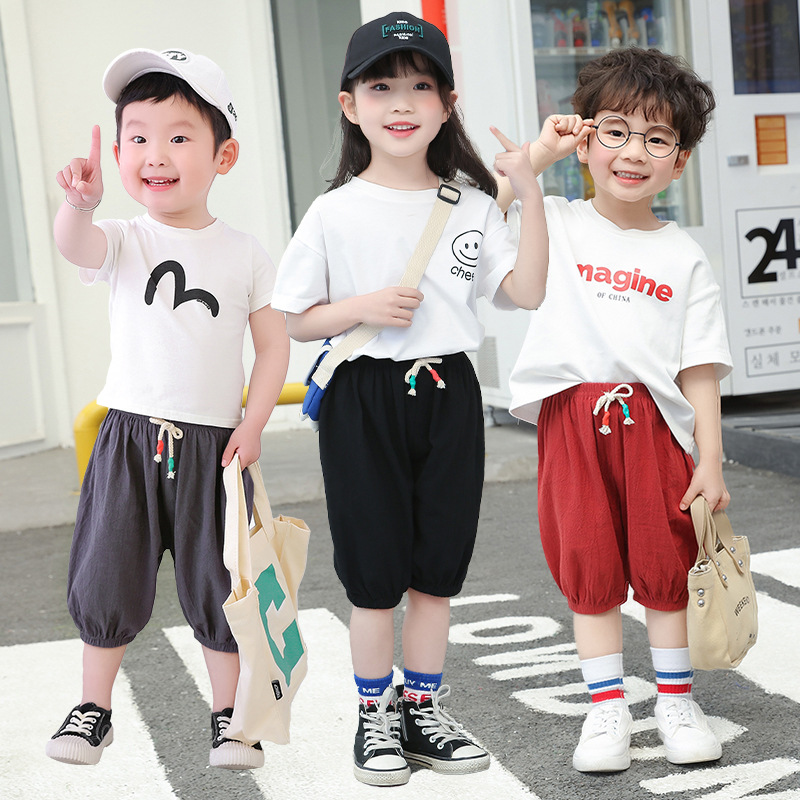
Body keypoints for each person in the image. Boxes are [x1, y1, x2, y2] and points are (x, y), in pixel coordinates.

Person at [271, 11, 547, 787]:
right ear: (349, 104)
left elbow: (526, 291)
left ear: (447, 103)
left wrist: (529, 193)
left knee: (436, 570)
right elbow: (295, 320)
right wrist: (360, 307)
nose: (401, 102)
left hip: (449, 392)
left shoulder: (473, 204)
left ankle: (423, 711)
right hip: (364, 395)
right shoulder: (333, 211)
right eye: (380, 86)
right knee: (373, 572)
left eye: (421, 86)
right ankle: (375, 715)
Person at [45, 48, 289, 770]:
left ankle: (230, 718)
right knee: (107, 571)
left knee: (220, 581)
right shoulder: (124, 237)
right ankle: (93, 709)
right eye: (138, 137)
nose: (155, 154)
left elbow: (273, 348)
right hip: (128, 437)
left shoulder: (245, 252)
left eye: (179, 136)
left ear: (224, 155)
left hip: (216, 446)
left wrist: (254, 422)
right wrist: (79, 204)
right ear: (120, 152)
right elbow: (75, 245)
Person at [498, 47, 733, 773]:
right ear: (586, 141)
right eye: (616, 131)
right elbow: (477, 219)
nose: (633, 152)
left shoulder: (685, 256)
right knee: (589, 566)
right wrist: (539, 156)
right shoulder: (555, 220)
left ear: (680, 161)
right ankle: (607, 712)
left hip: (656, 427)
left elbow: (699, 366)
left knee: (667, 565)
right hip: (574, 421)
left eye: (657, 139)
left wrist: (711, 458)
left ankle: (675, 702)